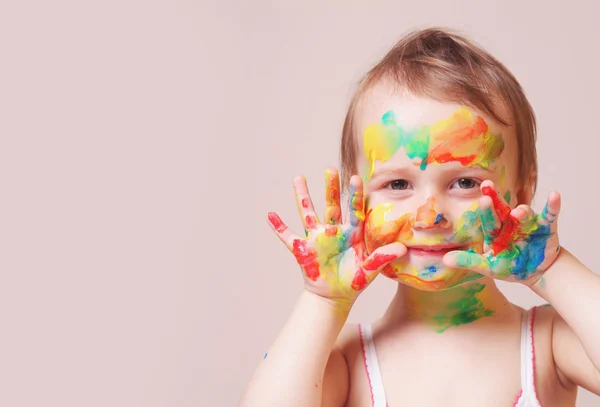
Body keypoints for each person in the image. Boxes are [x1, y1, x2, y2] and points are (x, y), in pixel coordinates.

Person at [239, 28, 600, 406]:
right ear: (356, 201)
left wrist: (552, 269)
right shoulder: (347, 361)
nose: (429, 217)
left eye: (464, 182)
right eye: (397, 184)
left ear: (522, 194)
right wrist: (323, 302)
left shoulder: (548, 343)